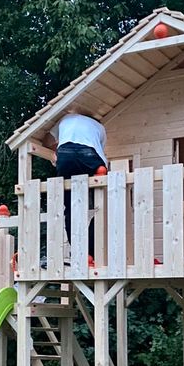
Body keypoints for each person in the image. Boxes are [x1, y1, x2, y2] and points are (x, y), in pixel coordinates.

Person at [45, 112, 108, 261]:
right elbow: (99, 148)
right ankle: (97, 169)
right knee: (101, 208)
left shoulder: (65, 119)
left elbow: (46, 140)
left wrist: (56, 153)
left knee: (71, 209)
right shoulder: (100, 127)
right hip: (89, 154)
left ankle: (82, 253)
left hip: (65, 154)